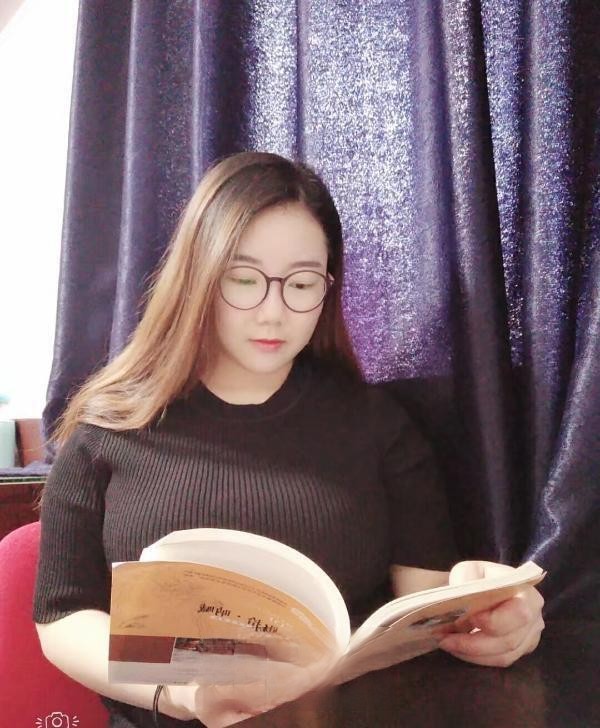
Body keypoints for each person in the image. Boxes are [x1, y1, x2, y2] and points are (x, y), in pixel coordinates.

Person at [33, 152, 544, 728]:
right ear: (198, 277)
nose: (273, 312)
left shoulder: (377, 425)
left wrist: (490, 618)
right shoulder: (107, 430)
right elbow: (62, 614)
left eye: (301, 284)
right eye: (244, 280)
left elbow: (421, 610)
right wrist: (183, 695)